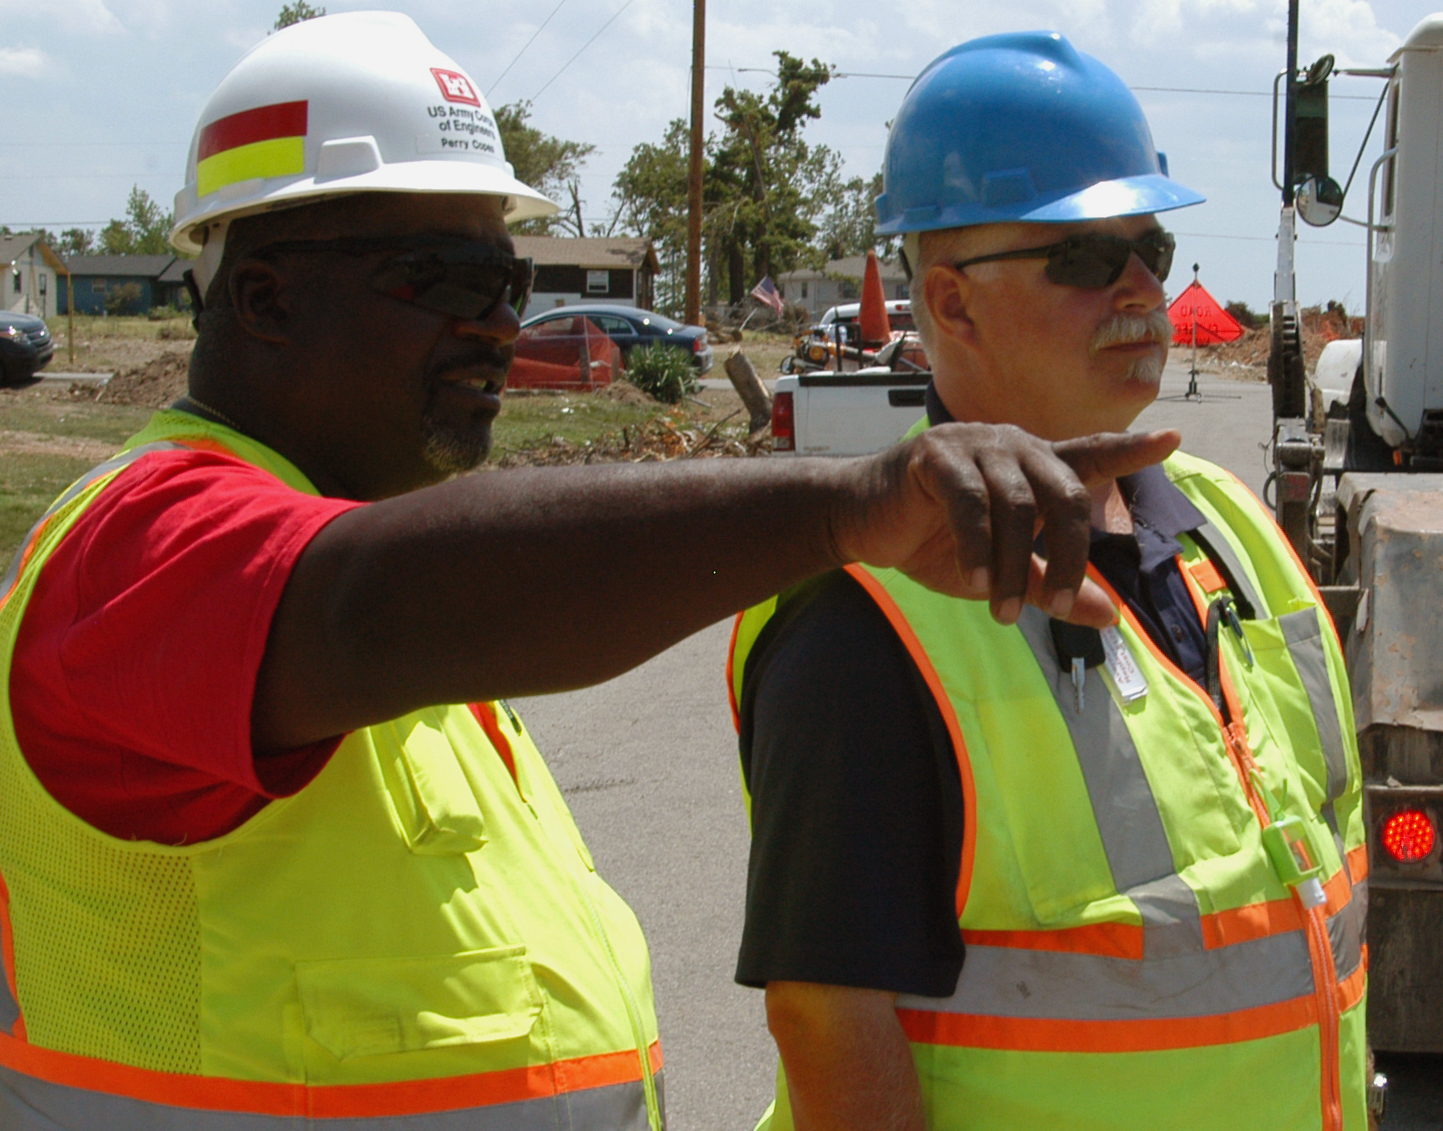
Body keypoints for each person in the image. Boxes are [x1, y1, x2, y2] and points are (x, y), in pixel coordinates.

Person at [0, 14, 1174, 1131]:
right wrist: (848, 505)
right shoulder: (138, 548)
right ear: (264, 294)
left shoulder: (380, 547)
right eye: (450, 284)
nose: (503, 328)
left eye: (506, 284)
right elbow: (369, 600)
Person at [728, 31, 1370, 1131]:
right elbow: (832, 1028)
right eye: (1081, 256)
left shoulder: (1229, 527)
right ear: (953, 303)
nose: (1138, 287)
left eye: (1150, 249)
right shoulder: (864, 617)